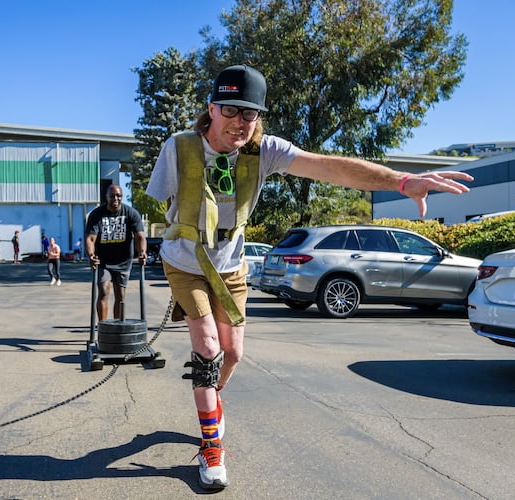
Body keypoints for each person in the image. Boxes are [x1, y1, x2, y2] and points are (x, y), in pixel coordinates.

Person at [145, 64, 474, 490]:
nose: (239, 122)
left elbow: (330, 167)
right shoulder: (179, 147)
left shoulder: (264, 151)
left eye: (250, 114)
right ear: (211, 108)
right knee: (206, 346)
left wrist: (402, 180)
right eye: (230, 110)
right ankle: (211, 447)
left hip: (232, 263)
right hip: (186, 260)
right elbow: (157, 207)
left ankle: (214, 398)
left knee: (232, 352)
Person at [85, 184, 147, 320]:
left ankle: (118, 328)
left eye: (118, 195)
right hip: (103, 261)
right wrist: (91, 255)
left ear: (122, 197)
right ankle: (103, 328)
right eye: (112, 196)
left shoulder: (131, 213)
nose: (115, 198)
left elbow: (140, 236)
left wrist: (142, 252)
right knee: (103, 292)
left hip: (123, 261)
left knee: (121, 296)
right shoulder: (97, 215)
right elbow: (90, 238)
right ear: (106, 197)